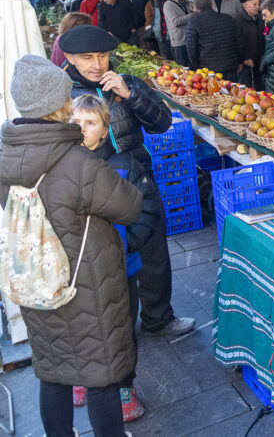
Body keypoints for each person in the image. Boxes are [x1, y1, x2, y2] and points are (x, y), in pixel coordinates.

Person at [0, 57, 143, 437]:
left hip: (36, 282)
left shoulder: (5, 156)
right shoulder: (78, 162)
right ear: (58, 104)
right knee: (100, 376)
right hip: (86, 285)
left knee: (52, 371)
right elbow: (129, 206)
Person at [57, 26, 194, 339]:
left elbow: (162, 122)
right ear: (70, 58)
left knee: (153, 252)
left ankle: (158, 317)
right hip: (93, 190)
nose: (97, 64)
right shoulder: (63, 95)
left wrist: (130, 95)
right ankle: (114, 330)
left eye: (103, 56)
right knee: (103, 260)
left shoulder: (126, 83)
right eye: (87, 57)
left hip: (138, 182)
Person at [69, 94, 163, 422]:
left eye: (90, 122)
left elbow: (148, 206)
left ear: (105, 127)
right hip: (77, 269)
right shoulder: (63, 167)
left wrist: (127, 245)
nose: (82, 129)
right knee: (81, 326)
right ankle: (82, 376)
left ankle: (125, 386)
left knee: (121, 327)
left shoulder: (125, 166)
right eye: (75, 122)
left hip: (121, 268)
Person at [186, 0, 243, 76]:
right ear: (212, 5)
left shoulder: (194, 22)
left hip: (208, 68)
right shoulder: (228, 18)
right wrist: (240, 61)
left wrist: (196, 66)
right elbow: (239, 42)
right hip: (230, 64)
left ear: (196, 7)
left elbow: (191, 48)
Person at [235, 0, 264, 88]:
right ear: (245, 5)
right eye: (254, 4)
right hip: (246, 63)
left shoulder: (260, 18)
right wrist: (244, 58)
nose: (257, 7)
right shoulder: (238, 20)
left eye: (258, 4)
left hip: (259, 59)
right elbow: (238, 41)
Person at [162, 0, 191, 68]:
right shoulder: (168, 5)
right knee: (183, 67)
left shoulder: (184, 2)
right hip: (179, 41)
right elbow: (175, 21)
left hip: (188, 39)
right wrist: (191, 15)